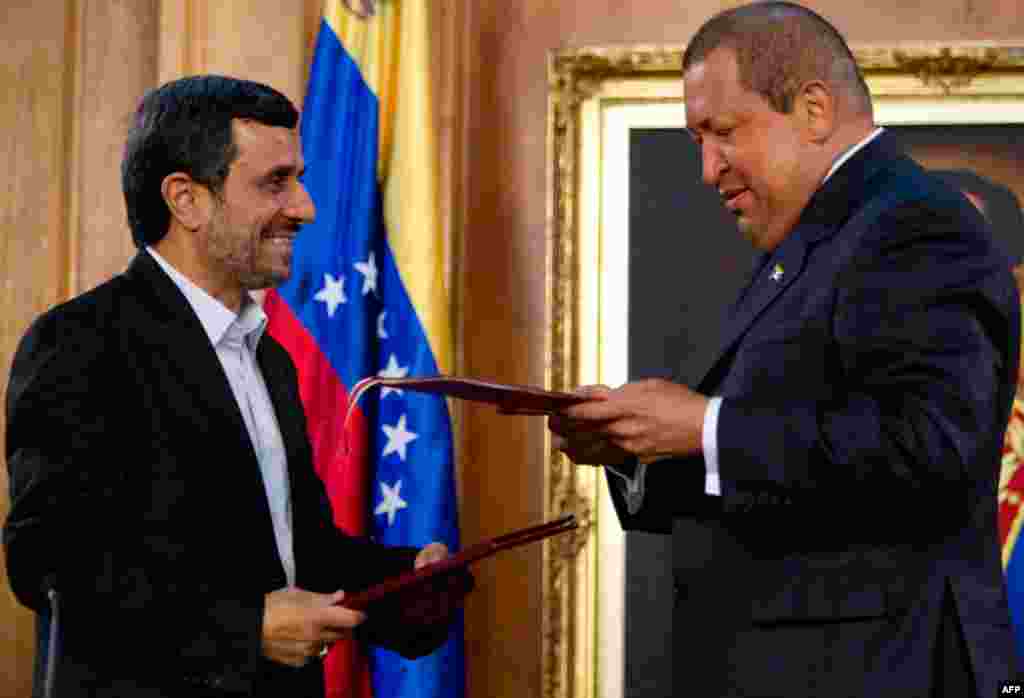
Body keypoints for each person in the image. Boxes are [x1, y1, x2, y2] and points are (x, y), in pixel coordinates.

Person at [549, 3, 1019, 696]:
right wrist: (640, 447)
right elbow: (786, 476)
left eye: (723, 132)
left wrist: (704, 428)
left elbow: (929, 447)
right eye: (696, 141)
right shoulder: (822, 235)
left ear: (814, 109)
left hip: (888, 671)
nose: (708, 169)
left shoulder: (915, 225)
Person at [4, 75, 467, 698]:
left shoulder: (267, 357)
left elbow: (300, 554)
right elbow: (51, 565)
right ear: (186, 199)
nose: (304, 207)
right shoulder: (84, 341)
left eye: (296, 179)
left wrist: (405, 579)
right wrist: (244, 629)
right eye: (275, 182)